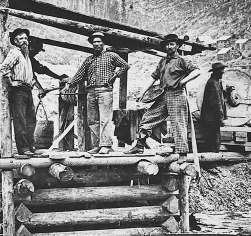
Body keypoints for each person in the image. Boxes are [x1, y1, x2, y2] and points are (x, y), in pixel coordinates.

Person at [124, 34, 200, 164]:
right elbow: (153, 77)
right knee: (148, 117)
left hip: (177, 95)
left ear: (177, 46)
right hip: (163, 94)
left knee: (178, 124)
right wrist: (143, 92)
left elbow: (197, 71)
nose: (169, 47)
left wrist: (184, 81)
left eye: (172, 44)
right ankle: (139, 146)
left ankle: (182, 154)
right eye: (167, 44)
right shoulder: (163, 61)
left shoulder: (181, 60)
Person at [62, 32, 130, 154]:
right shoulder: (89, 60)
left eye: (99, 42)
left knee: (105, 119)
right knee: (92, 120)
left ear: (103, 43)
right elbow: (79, 75)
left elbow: (125, 65)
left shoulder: (111, 55)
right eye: (94, 42)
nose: (96, 44)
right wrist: (68, 85)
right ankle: (97, 145)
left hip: (105, 91)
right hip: (91, 92)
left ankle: (106, 145)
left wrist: (115, 75)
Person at [0, 28, 40, 156]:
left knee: (31, 119)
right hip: (18, 92)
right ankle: (23, 149)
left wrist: (32, 81)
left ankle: (31, 146)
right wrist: (11, 82)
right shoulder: (15, 53)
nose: (24, 41)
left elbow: (29, 73)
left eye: (26, 39)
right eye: (21, 38)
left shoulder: (26, 55)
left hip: (27, 90)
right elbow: (3, 68)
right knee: (20, 121)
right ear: (15, 41)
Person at [200, 62, 228, 153]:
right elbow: (217, 103)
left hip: (209, 118)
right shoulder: (213, 83)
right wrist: (221, 118)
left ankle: (211, 162)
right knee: (214, 141)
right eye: (221, 72)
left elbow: (219, 96)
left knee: (212, 141)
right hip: (211, 119)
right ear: (215, 72)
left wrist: (226, 92)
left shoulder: (215, 82)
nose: (223, 73)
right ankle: (211, 163)